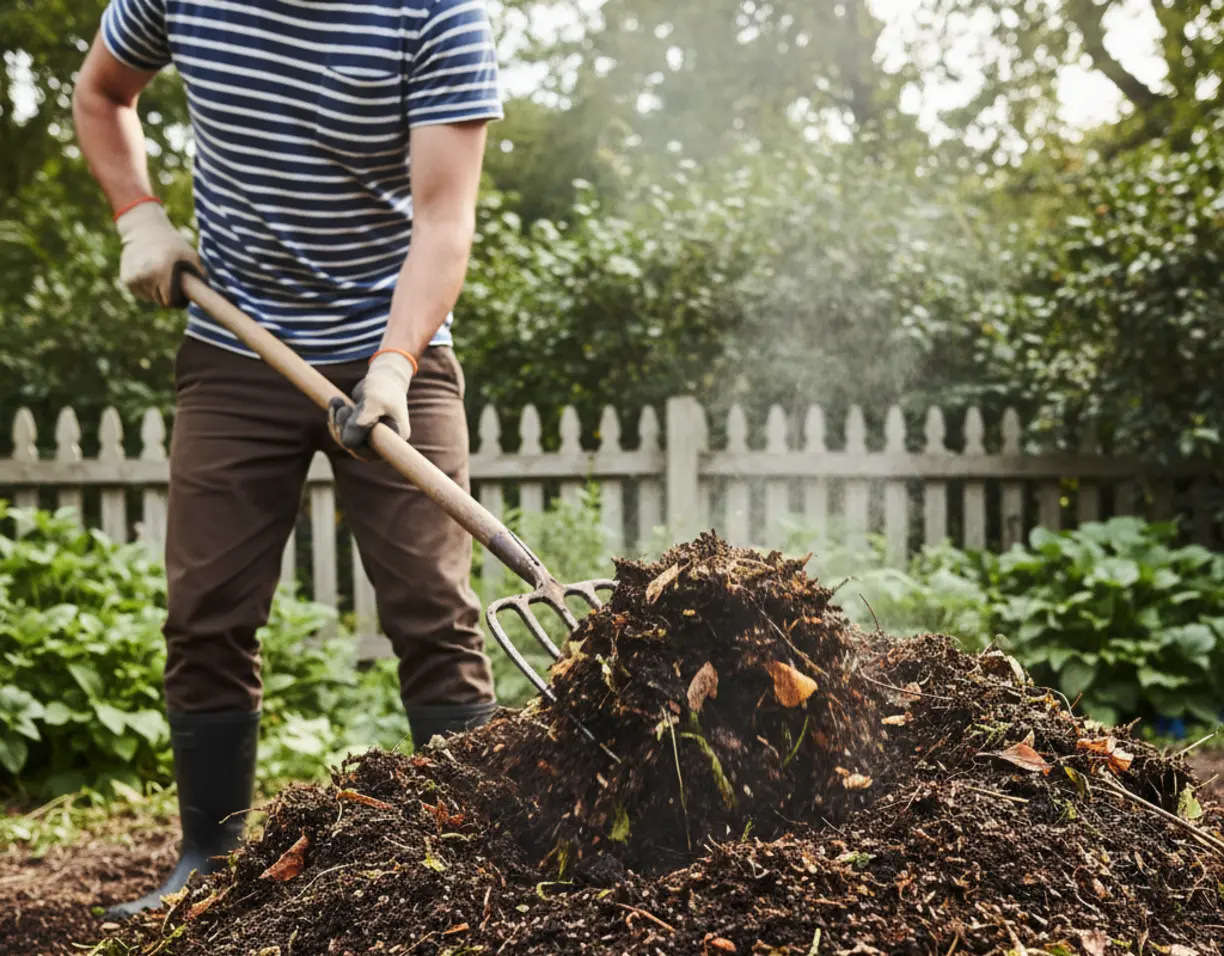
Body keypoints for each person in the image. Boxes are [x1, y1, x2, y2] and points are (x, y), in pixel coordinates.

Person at [71, 0, 503, 918]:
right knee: (206, 615)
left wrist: (395, 363)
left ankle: (473, 861)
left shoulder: (437, 15)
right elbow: (102, 92)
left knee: (435, 613)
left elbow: (444, 219)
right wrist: (139, 216)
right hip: (237, 348)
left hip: (393, 343)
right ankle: (207, 858)